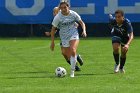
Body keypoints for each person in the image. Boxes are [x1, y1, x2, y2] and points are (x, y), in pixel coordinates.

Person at [50, 2, 87, 77]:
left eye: (65, 7)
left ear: (68, 7)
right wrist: (52, 43)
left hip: (73, 34)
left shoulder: (73, 14)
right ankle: (77, 57)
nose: (63, 9)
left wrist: (84, 31)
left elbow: (82, 23)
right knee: (65, 54)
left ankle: (72, 72)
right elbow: (53, 30)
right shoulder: (58, 17)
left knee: (73, 49)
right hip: (64, 37)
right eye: (62, 8)